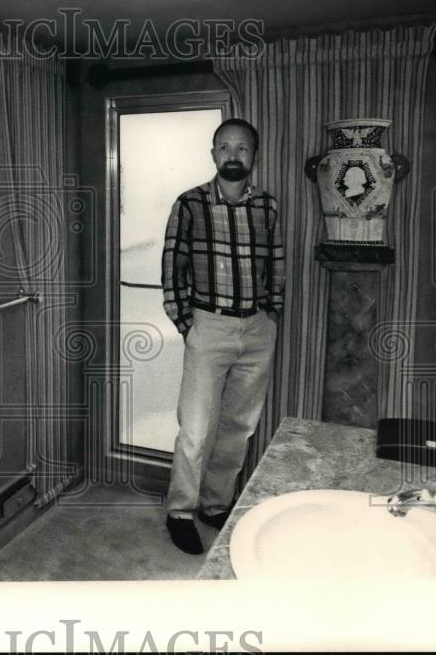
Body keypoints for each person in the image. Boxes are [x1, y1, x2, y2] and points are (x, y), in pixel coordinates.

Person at [160, 118, 284, 555]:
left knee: (238, 426)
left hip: (256, 329)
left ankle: (214, 504)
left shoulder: (267, 207)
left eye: (243, 148)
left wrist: (271, 314)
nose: (234, 155)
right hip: (208, 326)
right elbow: (172, 270)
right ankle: (180, 511)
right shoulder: (190, 204)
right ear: (213, 154)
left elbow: (276, 264)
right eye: (225, 148)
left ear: (254, 156)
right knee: (195, 428)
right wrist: (187, 323)